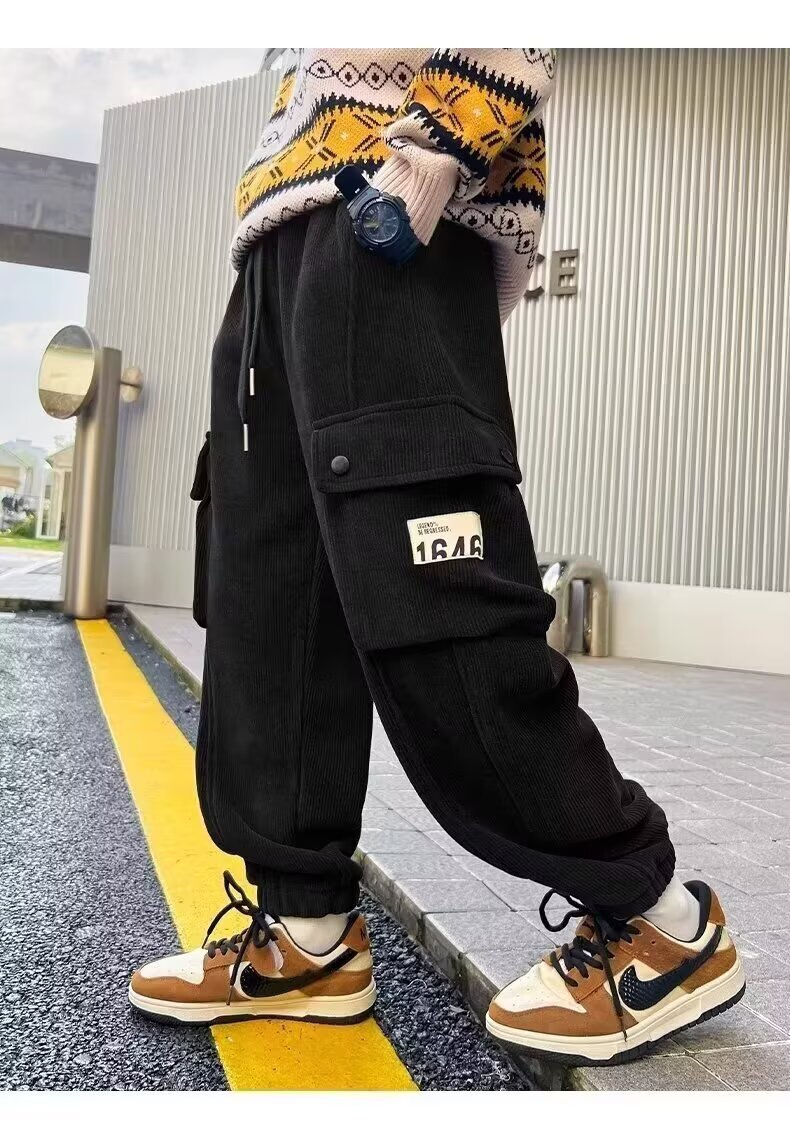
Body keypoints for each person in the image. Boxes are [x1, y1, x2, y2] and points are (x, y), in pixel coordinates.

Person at [129, 49, 744, 1066]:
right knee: (270, 602)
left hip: (389, 215)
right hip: (277, 245)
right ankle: (306, 937)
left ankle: (661, 920)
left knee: (433, 593)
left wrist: (422, 163)